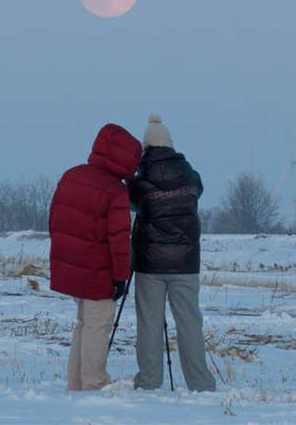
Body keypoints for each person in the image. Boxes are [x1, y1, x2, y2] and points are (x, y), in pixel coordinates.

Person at [49, 123, 142, 391]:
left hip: (72, 266)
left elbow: (55, 220)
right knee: (97, 326)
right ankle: (93, 383)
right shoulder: (114, 190)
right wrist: (121, 277)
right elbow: (119, 240)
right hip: (98, 271)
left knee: (83, 323)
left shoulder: (71, 175)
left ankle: (75, 383)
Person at [128, 115, 216, 392]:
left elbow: (130, 202)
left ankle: (148, 381)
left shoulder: (139, 181)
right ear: (170, 144)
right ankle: (201, 383)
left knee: (149, 325)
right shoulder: (191, 176)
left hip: (149, 262)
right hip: (187, 262)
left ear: (146, 147)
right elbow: (197, 193)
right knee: (190, 324)